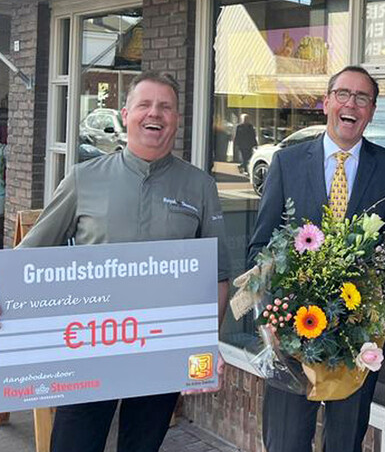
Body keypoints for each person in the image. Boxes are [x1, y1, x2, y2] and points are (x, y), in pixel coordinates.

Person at [11, 71, 231, 452]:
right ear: (126, 114)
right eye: (145, 104)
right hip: (87, 350)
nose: (155, 113)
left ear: (177, 120)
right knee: (73, 443)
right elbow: (30, 258)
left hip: (160, 351)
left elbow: (217, 275)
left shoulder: (200, 186)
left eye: (165, 107)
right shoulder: (84, 179)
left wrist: (203, 341)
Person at [249, 65, 385, 452]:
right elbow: (259, 247)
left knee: (344, 443)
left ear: (372, 111)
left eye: (362, 98)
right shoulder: (286, 163)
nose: (351, 104)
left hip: (358, 336)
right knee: (286, 442)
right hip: (292, 337)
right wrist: (274, 313)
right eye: (343, 94)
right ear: (326, 103)